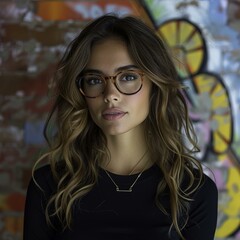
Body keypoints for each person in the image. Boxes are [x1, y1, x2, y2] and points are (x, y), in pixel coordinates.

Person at [23, 14, 218, 240]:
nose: (111, 95)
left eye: (127, 77)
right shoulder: (49, 186)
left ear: (155, 85)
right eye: (95, 80)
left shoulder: (194, 192)